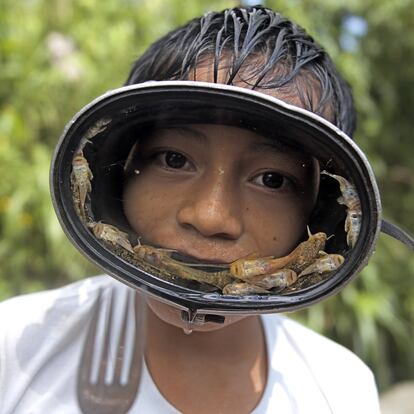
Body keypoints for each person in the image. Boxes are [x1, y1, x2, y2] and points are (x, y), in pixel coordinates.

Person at [0, 6, 381, 413]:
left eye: (271, 180)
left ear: (321, 215)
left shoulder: (340, 389)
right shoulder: (16, 347)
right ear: (117, 176)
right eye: (174, 159)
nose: (211, 216)